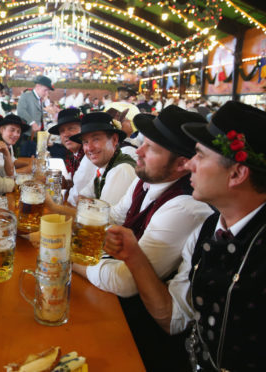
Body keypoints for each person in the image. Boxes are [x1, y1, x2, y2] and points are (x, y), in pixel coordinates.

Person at [104, 101, 266, 371]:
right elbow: (173, 319)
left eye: (200, 155)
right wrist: (134, 256)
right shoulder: (208, 229)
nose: (188, 163)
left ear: (237, 173)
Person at [75, 106, 214, 371]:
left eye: (151, 147)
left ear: (184, 163)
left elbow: (125, 282)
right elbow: (113, 217)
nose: (137, 150)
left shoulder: (185, 206)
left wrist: (70, 258)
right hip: (119, 308)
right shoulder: (146, 180)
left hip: (145, 337)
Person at [68, 112, 137, 205]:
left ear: (114, 140)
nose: (90, 148)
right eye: (85, 142)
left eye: (96, 139)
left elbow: (103, 217)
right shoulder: (104, 165)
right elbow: (82, 196)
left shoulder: (121, 170)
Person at [47, 108, 97, 206]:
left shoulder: (89, 156)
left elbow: (74, 199)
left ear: (83, 130)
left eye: (71, 128)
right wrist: (67, 183)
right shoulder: (73, 153)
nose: (66, 134)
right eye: (62, 131)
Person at [17, 75, 54, 157]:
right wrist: (32, 123)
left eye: (47, 91)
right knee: (26, 161)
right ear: (37, 86)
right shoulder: (26, 95)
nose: (46, 93)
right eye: (45, 90)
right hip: (27, 136)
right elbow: (21, 111)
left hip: (36, 136)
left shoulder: (39, 99)